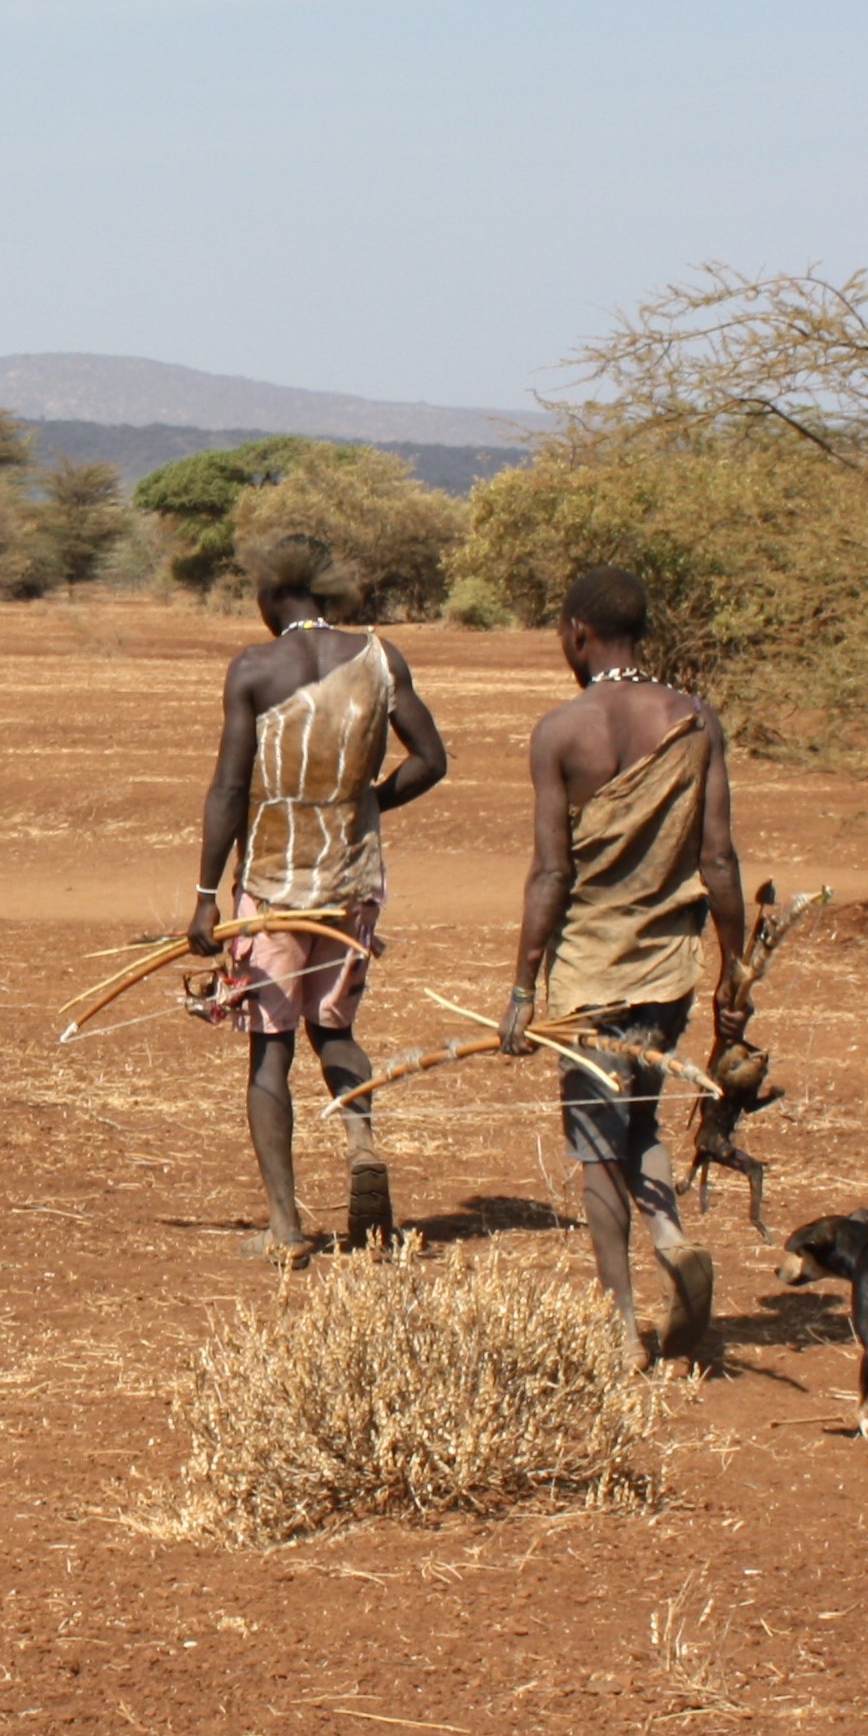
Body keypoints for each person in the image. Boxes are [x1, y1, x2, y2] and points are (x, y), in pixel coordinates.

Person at [499, 565, 746, 1366]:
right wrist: (732, 974)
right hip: (668, 966)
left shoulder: (562, 732)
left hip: (588, 976)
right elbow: (718, 862)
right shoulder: (694, 720)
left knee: (595, 1145)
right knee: (640, 1118)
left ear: (577, 633)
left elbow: (551, 875)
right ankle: (671, 1240)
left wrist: (521, 988)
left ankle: (618, 1322)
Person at [187, 534, 448, 1261]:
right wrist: (362, 807)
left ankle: (286, 1229)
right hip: (351, 883)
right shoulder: (379, 658)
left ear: (272, 597)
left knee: (269, 1054)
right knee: (333, 1031)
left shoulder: (255, 668)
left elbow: (230, 791)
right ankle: (360, 1141)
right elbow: (431, 761)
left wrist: (208, 898)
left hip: (270, 887)